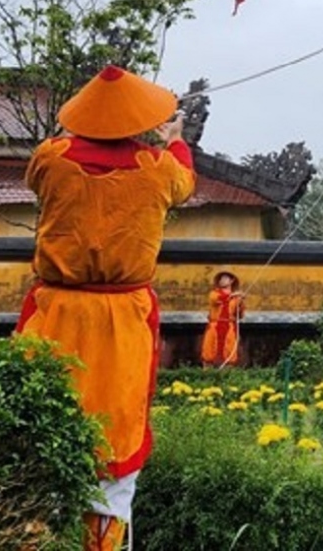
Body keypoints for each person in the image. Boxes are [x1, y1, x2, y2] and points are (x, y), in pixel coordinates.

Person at [14, 65, 195, 551]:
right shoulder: (158, 168)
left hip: (55, 313)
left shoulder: (50, 157)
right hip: (122, 318)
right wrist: (174, 138)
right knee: (114, 438)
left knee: (41, 438)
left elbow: (39, 174)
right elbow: (186, 182)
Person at [201, 270, 245, 367]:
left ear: (232, 280)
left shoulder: (236, 298)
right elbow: (218, 299)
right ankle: (206, 374)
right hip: (215, 325)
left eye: (225, 278)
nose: (222, 280)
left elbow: (240, 315)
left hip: (229, 327)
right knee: (209, 351)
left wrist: (241, 302)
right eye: (221, 278)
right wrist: (233, 295)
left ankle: (227, 375)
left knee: (229, 352)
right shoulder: (214, 294)